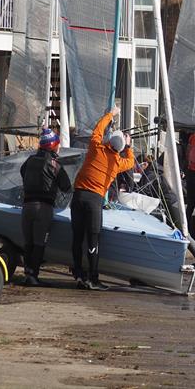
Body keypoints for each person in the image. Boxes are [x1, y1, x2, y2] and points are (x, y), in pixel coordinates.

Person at [70, 106, 135, 290]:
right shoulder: (117, 162)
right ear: (120, 148)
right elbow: (130, 162)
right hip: (94, 201)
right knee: (93, 240)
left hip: (78, 196)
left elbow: (98, 128)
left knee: (77, 237)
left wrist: (111, 114)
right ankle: (93, 278)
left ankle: (78, 275)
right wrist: (129, 147)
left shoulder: (95, 147)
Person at [19, 128, 72, 286]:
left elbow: (23, 173)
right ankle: (33, 275)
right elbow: (67, 187)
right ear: (53, 146)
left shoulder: (29, 161)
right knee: (39, 243)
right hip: (43, 209)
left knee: (28, 243)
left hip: (27, 206)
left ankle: (27, 273)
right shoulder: (55, 165)